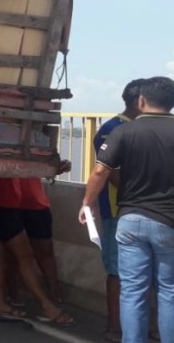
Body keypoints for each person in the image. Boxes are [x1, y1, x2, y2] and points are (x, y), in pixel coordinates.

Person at [80, 76, 174, 343]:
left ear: (142, 100)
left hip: (130, 220)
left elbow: (100, 171)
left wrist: (87, 203)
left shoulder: (123, 131)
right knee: (169, 290)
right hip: (168, 221)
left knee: (132, 290)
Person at [92, 79, 145, 342]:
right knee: (117, 272)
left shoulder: (141, 128)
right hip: (117, 211)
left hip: (141, 210)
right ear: (140, 101)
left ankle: (152, 329)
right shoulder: (112, 129)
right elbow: (112, 175)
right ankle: (114, 326)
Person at [0, 176, 74, 325]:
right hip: (2, 207)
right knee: (24, 257)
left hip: (4, 205)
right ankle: (46, 304)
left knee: (2, 253)